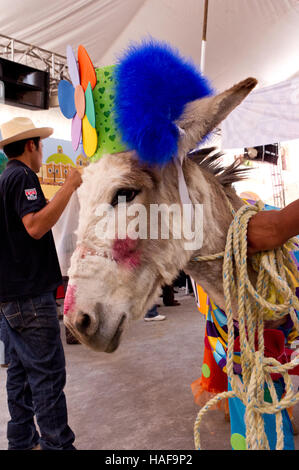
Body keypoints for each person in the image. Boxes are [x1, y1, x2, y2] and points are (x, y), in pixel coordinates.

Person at [0, 117, 82, 450]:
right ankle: (57, 445)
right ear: (31, 144)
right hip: (31, 297)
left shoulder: (5, 179)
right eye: (41, 145)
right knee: (47, 376)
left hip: (11, 297)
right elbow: (35, 226)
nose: (43, 152)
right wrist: (71, 185)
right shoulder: (23, 177)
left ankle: (22, 440)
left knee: (19, 374)